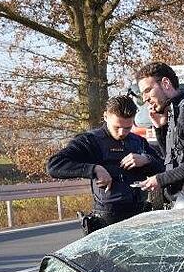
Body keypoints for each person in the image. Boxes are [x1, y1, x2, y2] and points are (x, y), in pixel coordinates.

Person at [47, 95, 163, 233]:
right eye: (117, 127)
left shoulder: (139, 142)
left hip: (140, 216)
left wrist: (147, 160)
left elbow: (164, 168)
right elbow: (54, 165)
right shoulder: (90, 141)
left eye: (127, 127)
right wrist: (93, 169)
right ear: (106, 117)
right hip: (107, 220)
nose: (122, 133)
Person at [134, 62, 184, 202]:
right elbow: (170, 159)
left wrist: (160, 179)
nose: (145, 99)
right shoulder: (174, 112)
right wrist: (160, 128)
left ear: (166, 83)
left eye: (148, 90)